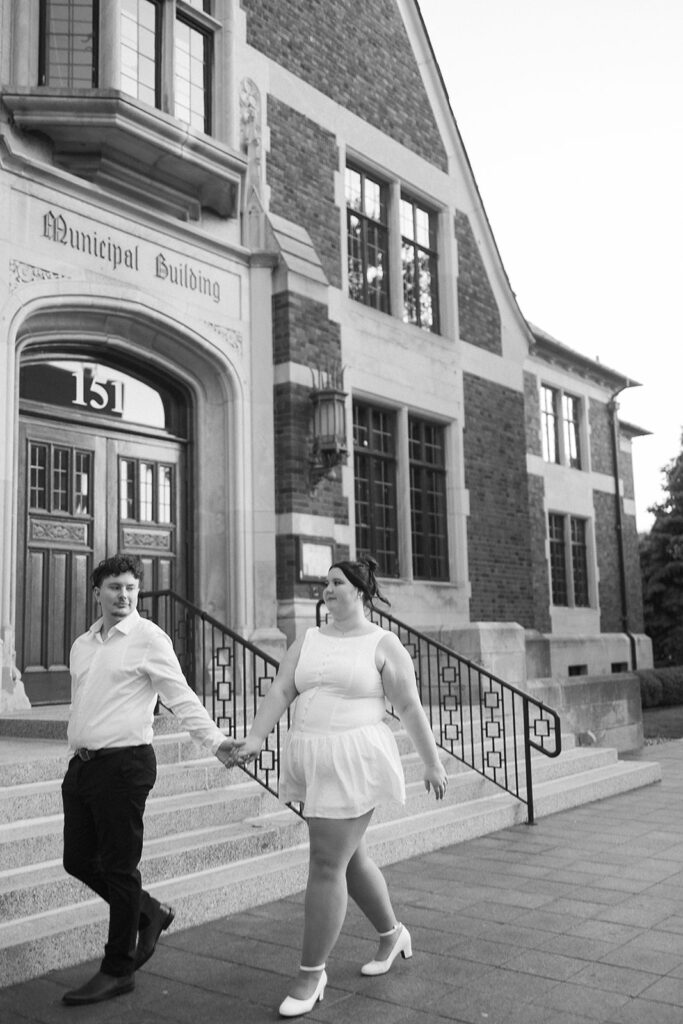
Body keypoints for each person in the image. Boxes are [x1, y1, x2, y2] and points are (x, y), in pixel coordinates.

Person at [236, 556, 448, 1018]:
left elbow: (409, 707)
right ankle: (393, 936)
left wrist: (431, 763)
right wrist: (255, 737)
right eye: (325, 584)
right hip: (314, 759)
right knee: (351, 860)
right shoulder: (308, 639)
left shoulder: (384, 643)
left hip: (356, 760)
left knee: (326, 862)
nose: (327, 589)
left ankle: (311, 973)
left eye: (337, 582)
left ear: (361, 591)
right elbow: (280, 691)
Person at [60, 554, 238, 1007]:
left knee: (119, 869)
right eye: (115, 587)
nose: (123, 595)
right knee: (78, 860)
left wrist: (215, 742)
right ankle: (150, 911)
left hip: (126, 766)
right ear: (96, 591)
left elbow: (181, 696)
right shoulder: (83, 644)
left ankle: (118, 969)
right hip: (82, 767)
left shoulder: (148, 638)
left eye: (131, 588)